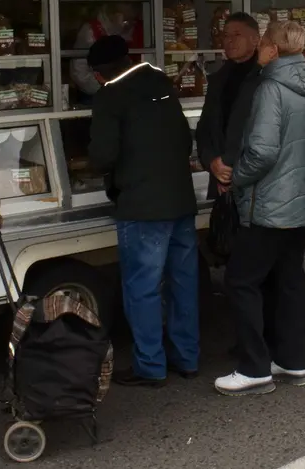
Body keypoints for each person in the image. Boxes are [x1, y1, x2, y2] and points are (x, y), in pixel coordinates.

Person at [87, 35, 199, 386]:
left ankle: (150, 366)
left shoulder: (110, 96)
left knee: (143, 288)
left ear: (97, 74)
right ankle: (187, 358)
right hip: (180, 199)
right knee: (183, 283)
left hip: (142, 206)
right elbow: (185, 139)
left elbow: (102, 156)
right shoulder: (161, 83)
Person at [216, 21, 305, 396]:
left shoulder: (270, 88)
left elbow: (261, 152)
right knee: (289, 282)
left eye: (262, 42)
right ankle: (292, 360)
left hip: (267, 204)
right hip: (297, 202)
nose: (259, 48)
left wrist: (235, 178)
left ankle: (253, 367)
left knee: (241, 281)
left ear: (273, 50)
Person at [196, 13, 262, 199]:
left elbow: (265, 138)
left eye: (237, 35)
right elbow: (204, 128)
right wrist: (212, 163)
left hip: (256, 188)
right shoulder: (218, 80)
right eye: (226, 35)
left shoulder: (266, 78)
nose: (229, 41)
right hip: (221, 186)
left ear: (255, 39)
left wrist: (236, 173)